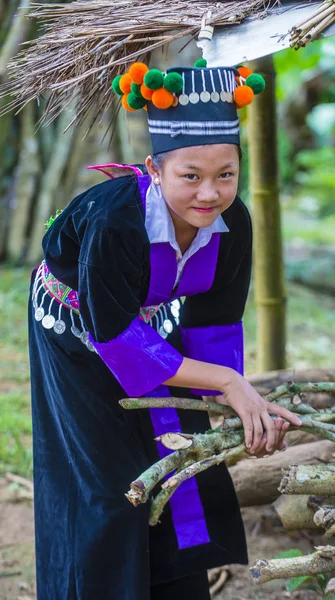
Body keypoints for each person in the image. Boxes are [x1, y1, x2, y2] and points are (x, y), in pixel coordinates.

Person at [28, 60, 302, 600]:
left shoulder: (234, 223)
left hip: (146, 325)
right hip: (74, 331)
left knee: (178, 460)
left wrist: (234, 411)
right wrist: (226, 383)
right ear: (155, 168)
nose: (210, 193)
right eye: (191, 176)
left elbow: (215, 326)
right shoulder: (116, 222)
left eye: (226, 174)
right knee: (109, 485)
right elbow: (113, 336)